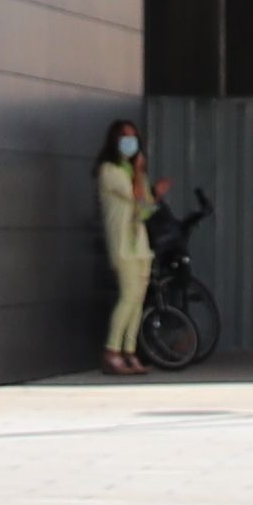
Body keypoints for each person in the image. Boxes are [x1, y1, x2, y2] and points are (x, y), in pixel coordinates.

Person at [95, 118, 160, 374]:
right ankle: (112, 350)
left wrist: (155, 193)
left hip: (140, 244)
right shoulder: (110, 171)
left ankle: (129, 351)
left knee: (139, 299)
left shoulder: (134, 173)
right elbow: (134, 196)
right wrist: (140, 175)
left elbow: (144, 208)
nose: (130, 142)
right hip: (122, 244)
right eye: (125, 137)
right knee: (129, 295)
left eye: (133, 137)